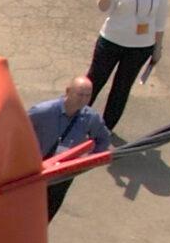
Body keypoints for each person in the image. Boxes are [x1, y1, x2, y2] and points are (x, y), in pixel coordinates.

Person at [86, 0, 167, 131]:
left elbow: (160, 19)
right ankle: (75, 120)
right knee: (94, 81)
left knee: (121, 89)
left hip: (140, 46)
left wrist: (158, 47)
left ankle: (104, 130)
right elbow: (104, 8)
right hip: (112, 40)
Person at [25, 76, 110, 221]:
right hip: (36, 170)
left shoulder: (90, 118)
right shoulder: (43, 111)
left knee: (48, 211)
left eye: (87, 95)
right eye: (80, 94)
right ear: (68, 91)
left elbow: (103, 138)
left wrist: (88, 162)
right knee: (25, 208)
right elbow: (16, 129)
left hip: (63, 173)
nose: (83, 99)